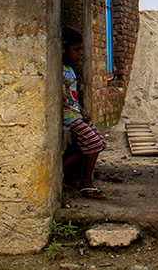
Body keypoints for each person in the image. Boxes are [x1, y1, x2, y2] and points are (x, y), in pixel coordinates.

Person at [62, 27, 107, 199]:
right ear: (64, 49)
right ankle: (87, 183)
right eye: (76, 50)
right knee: (94, 143)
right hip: (69, 117)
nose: (79, 54)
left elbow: (73, 97)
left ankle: (66, 166)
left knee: (100, 142)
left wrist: (82, 110)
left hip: (76, 114)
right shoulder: (59, 70)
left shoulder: (70, 70)